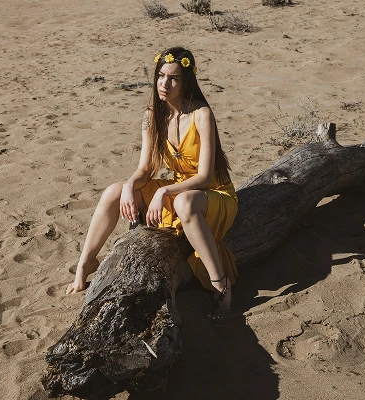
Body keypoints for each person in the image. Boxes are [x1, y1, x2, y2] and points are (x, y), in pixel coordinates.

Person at [66, 47, 238, 320]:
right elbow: (146, 168)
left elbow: (205, 177)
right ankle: (85, 264)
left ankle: (221, 285)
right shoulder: (152, 115)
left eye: (174, 78)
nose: (164, 84)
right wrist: (129, 186)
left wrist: (164, 192)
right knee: (113, 191)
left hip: (212, 195)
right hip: (181, 191)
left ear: (186, 82)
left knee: (184, 201)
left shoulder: (201, 114)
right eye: (160, 76)